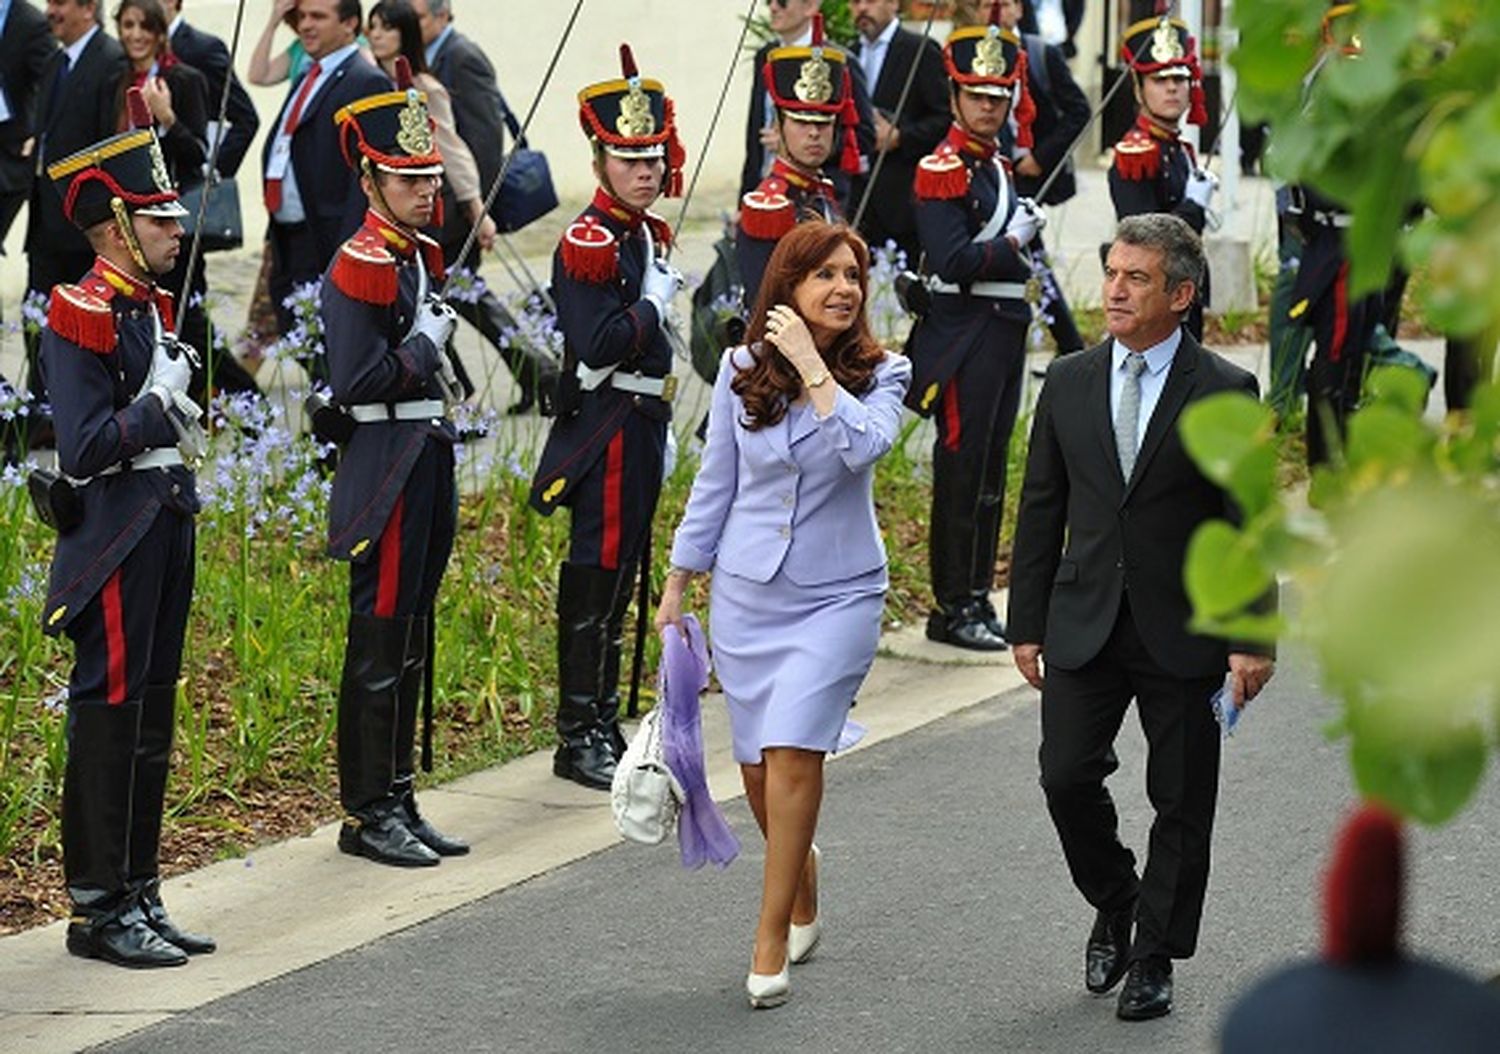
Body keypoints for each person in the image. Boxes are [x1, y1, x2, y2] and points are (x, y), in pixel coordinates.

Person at [1007, 213, 1277, 1021]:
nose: (1115, 291)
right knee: (1064, 777)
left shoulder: (1228, 390)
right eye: (1112, 273)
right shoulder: (1070, 380)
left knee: (1182, 799)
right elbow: (1041, 507)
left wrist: (1252, 636)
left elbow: (1248, 520)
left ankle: (1155, 954)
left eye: (1136, 278)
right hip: (1083, 618)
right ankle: (1117, 897)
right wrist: (1026, 622)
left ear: (1183, 294)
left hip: (1185, 628)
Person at [656, 220, 911, 1009]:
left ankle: (769, 939)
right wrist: (679, 577)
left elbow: (865, 448)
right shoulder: (739, 371)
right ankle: (799, 875)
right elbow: (717, 485)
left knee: (796, 752)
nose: (842, 288)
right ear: (787, 289)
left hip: (839, 596)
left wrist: (811, 367)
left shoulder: (885, 372)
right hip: (748, 596)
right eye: (823, 274)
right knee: (761, 774)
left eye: (852, 275)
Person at [39, 93, 213, 967]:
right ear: (115, 227)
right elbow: (83, 447)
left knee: (149, 711)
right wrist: (153, 409)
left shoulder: (149, 307)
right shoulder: (81, 312)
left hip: (162, 522)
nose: (176, 230)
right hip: (113, 534)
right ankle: (99, 906)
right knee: (108, 716)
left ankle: (140, 890)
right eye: (159, 218)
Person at [320, 63, 468, 867]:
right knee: (377, 639)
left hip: (424, 455)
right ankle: (366, 809)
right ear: (371, 177)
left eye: (429, 174)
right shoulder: (362, 261)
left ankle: (399, 792)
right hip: (383, 464)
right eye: (408, 176)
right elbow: (356, 381)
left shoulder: (412, 253)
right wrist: (423, 347)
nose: (425, 188)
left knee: (411, 631)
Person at [529, 44, 685, 791]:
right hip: (608, 427)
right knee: (595, 573)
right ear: (600, 162)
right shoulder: (589, 241)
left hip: (642, 420)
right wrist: (653, 303)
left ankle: (598, 717)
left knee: (622, 576)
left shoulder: (643, 235)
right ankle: (577, 729)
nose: (646, 171)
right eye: (629, 159)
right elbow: (595, 341)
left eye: (653, 157)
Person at [907, 10, 1043, 652]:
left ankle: (978, 596)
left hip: (1005, 328)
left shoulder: (996, 167)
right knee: (962, 469)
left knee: (992, 470)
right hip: (966, 335)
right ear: (956, 94)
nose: (990, 106)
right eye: (978, 95)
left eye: (999, 96)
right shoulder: (943, 167)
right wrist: (1013, 239)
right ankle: (952, 603)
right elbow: (956, 260)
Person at [387, 0, 559, 415]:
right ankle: (534, 373)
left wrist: (475, 207)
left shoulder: (462, 57)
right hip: (444, 206)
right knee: (464, 299)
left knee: (461, 297)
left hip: (455, 210)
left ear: (443, 15)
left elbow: (482, 140)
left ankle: (535, 373)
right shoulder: (427, 59)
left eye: (420, 18)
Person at [111, 0, 256, 402]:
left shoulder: (184, 78)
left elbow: (197, 158)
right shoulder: (118, 79)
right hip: (130, 226)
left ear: (160, 33)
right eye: (127, 25)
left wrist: (168, 118)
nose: (135, 34)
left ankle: (248, 405)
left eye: (144, 26)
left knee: (189, 324)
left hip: (174, 224)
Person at [261, 0, 391, 369]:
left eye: (318, 17)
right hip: (288, 233)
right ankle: (328, 415)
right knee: (298, 330)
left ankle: (339, 419)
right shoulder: (308, 75)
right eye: (302, 17)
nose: (305, 25)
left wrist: (349, 245)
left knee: (330, 343)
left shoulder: (364, 79)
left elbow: (366, 174)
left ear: (350, 24)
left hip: (327, 235)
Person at [23, 0, 125, 432]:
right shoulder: (54, 61)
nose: (51, 11)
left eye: (61, 3)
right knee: (38, 320)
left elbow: (111, 149)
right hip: (46, 219)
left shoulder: (110, 61)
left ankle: (73, 415)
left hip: (83, 229)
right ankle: (39, 412)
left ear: (88, 8)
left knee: (82, 326)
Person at [737, 13, 857, 312]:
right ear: (778, 127)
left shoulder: (824, 192)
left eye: (824, 122)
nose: (815, 133)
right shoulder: (768, 206)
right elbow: (764, 306)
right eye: (802, 122)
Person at [1109, 14, 1216, 341]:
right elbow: (1145, 242)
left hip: (1183, 296)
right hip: (1153, 305)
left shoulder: (1177, 148)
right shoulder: (1135, 154)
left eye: (1180, 78)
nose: (1172, 87)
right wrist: (1194, 205)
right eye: (1158, 79)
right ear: (1138, 89)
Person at [990, 0, 1089, 354]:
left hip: (1026, 174)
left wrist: (1041, 156)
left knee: (1030, 256)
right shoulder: (968, 52)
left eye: (1000, 4)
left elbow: (1079, 111)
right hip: (986, 173)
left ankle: (1070, 345)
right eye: (985, 5)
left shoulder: (1040, 54)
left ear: (1018, 9)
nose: (994, 12)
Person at [740, 0, 876, 215]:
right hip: (767, 189)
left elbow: (864, 136)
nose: (773, 7)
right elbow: (753, 136)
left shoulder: (839, 61)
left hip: (820, 197)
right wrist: (745, 198)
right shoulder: (765, 56)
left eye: (782, 2)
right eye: (769, 1)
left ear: (810, 6)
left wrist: (795, 142)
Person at [848, 0, 949, 267]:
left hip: (903, 204)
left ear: (893, 3)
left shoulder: (920, 50)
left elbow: (946, 118)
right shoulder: (848, 53)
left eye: (869, 1)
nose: (861, 9)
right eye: (854, 2)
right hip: (856, 202)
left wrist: (901, 137)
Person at [161, 0, 260, 180]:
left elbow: (245, 118)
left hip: (192, 181)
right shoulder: (130, 53)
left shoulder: (203, 49)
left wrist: (214, 169)